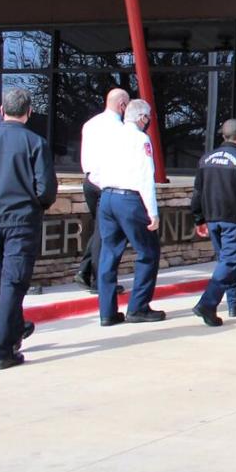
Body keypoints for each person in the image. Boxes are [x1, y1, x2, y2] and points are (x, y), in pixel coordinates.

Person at [0, 87, 57, 370]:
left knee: (3, 283)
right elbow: (46, 189)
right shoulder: (36, 143)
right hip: (22, 222)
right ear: (28, 112)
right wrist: (34, 205)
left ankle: (15, 330)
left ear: (3, 111)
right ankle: (2, 350)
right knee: (13, 283)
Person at [189, 119, 236, 327]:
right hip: (234, 219)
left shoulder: (206, 159)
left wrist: (198, 217)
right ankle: (208, 303)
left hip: (213, 218)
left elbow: (197, 192)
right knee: (229, 262)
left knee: (227, 260)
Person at [94, 99, 163, 325]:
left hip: (106, 197)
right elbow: (145, 177)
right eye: (148, 117)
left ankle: (107, 312)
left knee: (109, 254)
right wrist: (152, 212)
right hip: (129, 199)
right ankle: (138, 307)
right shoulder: (141, 139)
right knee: (148, 252)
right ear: (142, 118)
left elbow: (95, 171)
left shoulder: (109, 137)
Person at [76, 87, 130, 293]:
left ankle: (85, 270)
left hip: (89, 181)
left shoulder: (90, 124)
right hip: (108, 183)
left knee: (100, 229)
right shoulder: (120, 128)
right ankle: (100, 281)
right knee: (105, 233)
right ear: (122, 105)